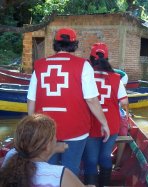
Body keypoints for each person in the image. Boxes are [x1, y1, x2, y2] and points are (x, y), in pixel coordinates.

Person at [27, 28, 110, 176]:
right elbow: (91, 99)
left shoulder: (39, 65)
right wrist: (104, 123)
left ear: (55, 44)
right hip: (75, 129)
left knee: (47, 169)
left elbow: (31, 100)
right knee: (70, 169)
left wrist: (33, 125)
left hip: (46, 130)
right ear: (74, 44)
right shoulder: (83, 65)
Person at [0, 114, 93, 187]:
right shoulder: (60, 174)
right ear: (47, 146)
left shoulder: (10, 156)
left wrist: (54, 148)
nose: (56, 139)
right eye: (54, 137)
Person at [82, 43, 129, 186]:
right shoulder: (116, 78)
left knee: (91, 160)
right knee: (105, 157)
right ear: (107, 59)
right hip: (112, 124)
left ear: (90, 59)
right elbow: (124, 101)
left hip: (91, 124)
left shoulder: (84, 76)